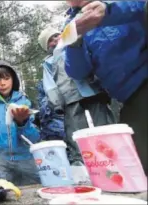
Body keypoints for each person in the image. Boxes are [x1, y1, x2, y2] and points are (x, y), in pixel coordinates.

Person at [64, 0, 148, 175]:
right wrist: (74, 42)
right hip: (128, 96)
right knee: (140, 164)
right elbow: (78, 72)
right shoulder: (71, 24)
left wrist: (107, 10)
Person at [37, 27, 115, 165]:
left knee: (103, 126)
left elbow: (96, 63)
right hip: (70, 98)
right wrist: (57, 104)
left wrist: (105, 86)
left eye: (56, 35)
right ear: (46, 47)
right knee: (75, 131)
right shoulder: (49, 62)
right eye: (50, 40)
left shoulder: (76, 47)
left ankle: (112, 157)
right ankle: (80, 162)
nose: (55, 40)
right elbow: (50, 86)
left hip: (92, 91)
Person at [74, 1, 147, 35]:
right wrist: (75, 45)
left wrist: (108, 11)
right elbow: (75, 65)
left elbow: (141, 7)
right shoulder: (71, 25)